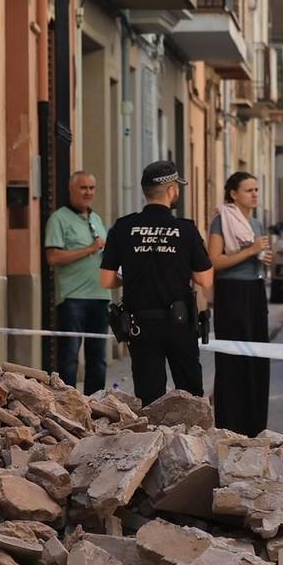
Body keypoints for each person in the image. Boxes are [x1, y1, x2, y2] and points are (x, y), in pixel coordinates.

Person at [99, 160, 213, 405]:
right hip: (179, 324)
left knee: (149, 399)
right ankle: (190, 440)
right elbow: (205, 279)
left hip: (141, 324)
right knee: (190, 397)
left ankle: (154, 441)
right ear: (172, 190)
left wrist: (129, 277)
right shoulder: (185, 229)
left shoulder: (123, 227)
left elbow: (106, 280)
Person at [206, 171, 274, 435]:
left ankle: (255, 424)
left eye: (256, 190)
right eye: (249, 190)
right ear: (233, 194)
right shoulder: (221, 220)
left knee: (257, 358)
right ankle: (231, 422)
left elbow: (256, 254)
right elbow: (215, 261)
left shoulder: (256, 224)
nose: (255, 195)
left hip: (255, 290)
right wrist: (251, 251)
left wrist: (263, 258)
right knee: (234, 359)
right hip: (232, 292)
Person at [43, 171, 110, 393]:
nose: (88, 192)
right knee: (70, 357)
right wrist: (89, 249)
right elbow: (53, 257)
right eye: (83, 188)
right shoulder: (59, 219)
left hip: (101, 296)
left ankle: (96, 404)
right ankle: (67, 402)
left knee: (98, 359)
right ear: (71, 190)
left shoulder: (96, 218)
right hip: (73, 298)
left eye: (91, 188)